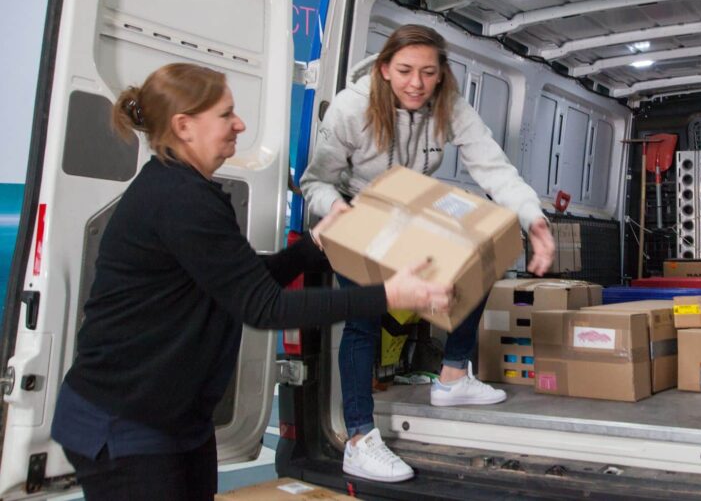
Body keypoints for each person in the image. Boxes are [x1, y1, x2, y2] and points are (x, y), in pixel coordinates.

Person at [51, 63, 451, 501]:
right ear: (184, 126)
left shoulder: (187, 189)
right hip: (126, 422)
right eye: (225, 115)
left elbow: (239, 282)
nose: (239, 124)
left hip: (173, 418)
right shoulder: (179, 200)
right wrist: (390, 294)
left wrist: (315, 244)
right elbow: (264, 307)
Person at [301, 24, 555, 483]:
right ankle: (358, 439)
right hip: (359, 211)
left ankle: (454, 376)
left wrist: (533, 219)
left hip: (413, 206)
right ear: (384, 69)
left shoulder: (449, 106)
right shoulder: (351, 108)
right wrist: (334, 209)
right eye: (404, 71)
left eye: (427, 72)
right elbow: (314, 181)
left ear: (441, 75)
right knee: (363, 322)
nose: (415, 83)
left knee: (478, 257)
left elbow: (493, 168)